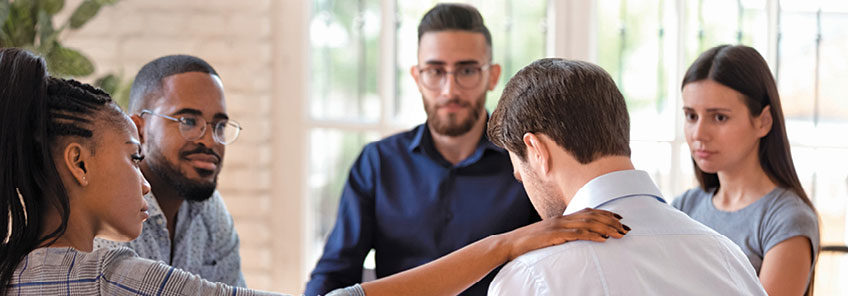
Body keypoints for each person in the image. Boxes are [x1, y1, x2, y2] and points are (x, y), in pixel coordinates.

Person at [0, 48, 628, 296]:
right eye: (131, 155)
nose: (141, 177)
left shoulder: (23, 268)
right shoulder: (112, 276)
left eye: (219, 123)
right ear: (78, 161)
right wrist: (510, 243)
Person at [306, 4, 541, 295]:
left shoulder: (528, 163)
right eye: (435, 71)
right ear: (417, 77)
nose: (449, 90)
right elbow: (333, 274)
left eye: (466, 70)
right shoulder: (378, 163)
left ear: (492, 76)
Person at [484, 58, 767, 295]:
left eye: (518, 166)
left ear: (536, 151)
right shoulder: (728, 257)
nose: (519, 177)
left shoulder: (531, 278)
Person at [671, 44, 820, 296]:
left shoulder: (786, 219)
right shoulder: (684, 207)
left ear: (763, 121)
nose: (699, 134)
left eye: (719, 117)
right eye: (691, 116)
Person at [93, 55, 246, 286]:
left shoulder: (209, 209)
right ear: (138, 129)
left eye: (220, 126)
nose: (209, 140)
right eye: (188, 121)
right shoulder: (107, 213)